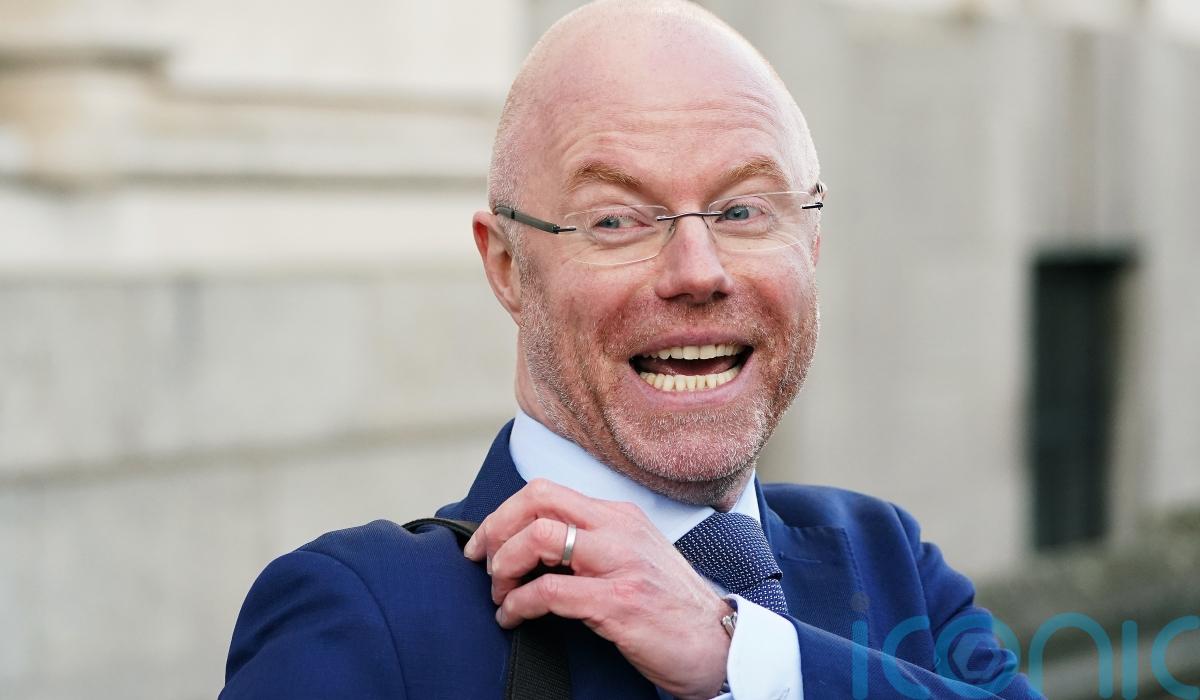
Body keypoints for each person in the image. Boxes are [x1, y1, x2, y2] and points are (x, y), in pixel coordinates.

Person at [221, 1, 1040, 698]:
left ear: (812, 242)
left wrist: (742, 654)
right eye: (615, 220)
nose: (699, 272)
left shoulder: (889, 560)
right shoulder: (374, 619)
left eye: (744, 210)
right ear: (507, 267)